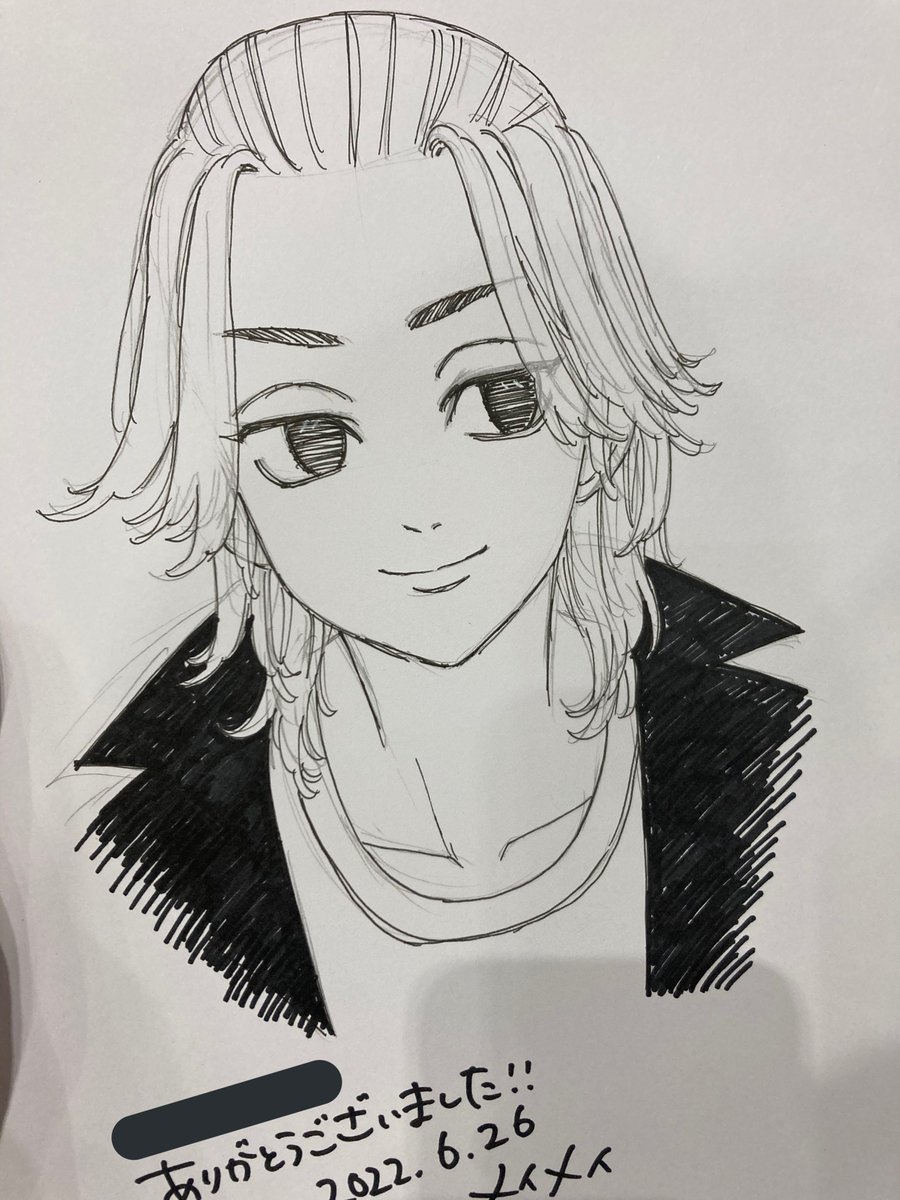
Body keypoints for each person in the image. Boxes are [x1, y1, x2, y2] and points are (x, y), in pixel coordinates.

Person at [48, 12, 812, 1036]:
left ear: (600, 379)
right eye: (309, 436)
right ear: (212, 457)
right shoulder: (115, 835)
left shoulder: (806, 735)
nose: (418, 510)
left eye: (501, 394)